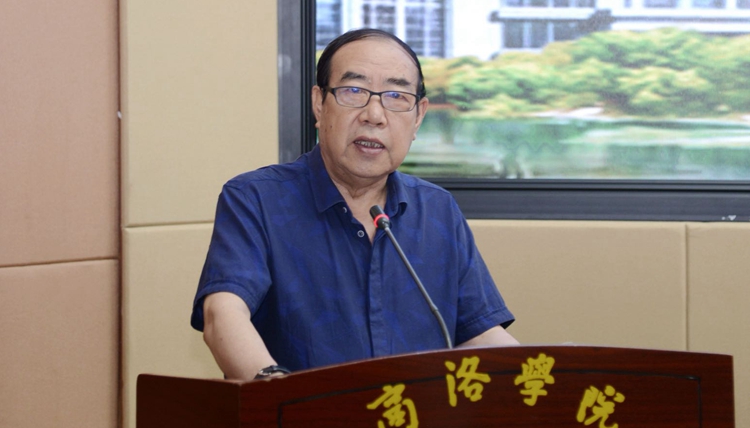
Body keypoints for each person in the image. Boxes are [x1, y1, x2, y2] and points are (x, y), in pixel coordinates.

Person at [190, 28, 518, 381]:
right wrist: (277, 393)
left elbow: (480, 333)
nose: (374, 115)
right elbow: (223, 314)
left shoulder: (438, 210)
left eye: (396, 96)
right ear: (319, 104)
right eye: (354, 91)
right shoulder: (256, 199)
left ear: (418, 116)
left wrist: (552, 381)